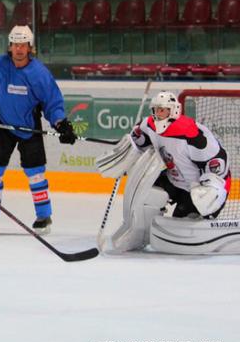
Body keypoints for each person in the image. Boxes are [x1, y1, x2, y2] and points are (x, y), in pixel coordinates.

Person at [0, 25, 77, 235]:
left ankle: (43, 216)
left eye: (23, 45)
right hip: (2, 127)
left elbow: (52, 103)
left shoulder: (39, 74)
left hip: (29, 129)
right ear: (9, 46)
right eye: (15, 45)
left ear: (30, 47)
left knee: (36, 175)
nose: (19, 49)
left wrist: (61, 123)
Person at [99, 91, 231, 254]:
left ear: (174, 110)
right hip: (173, 180)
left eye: (163, 110)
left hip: (196, 188)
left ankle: (199, 214)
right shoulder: (149, 126)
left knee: (182, 224)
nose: (158, 114)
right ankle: (139, 234)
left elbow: (218, 164)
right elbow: (137, 142)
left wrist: (210, 191)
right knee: (147, 193)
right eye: (156, 110)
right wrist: (125, 155)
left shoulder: (192, 133)